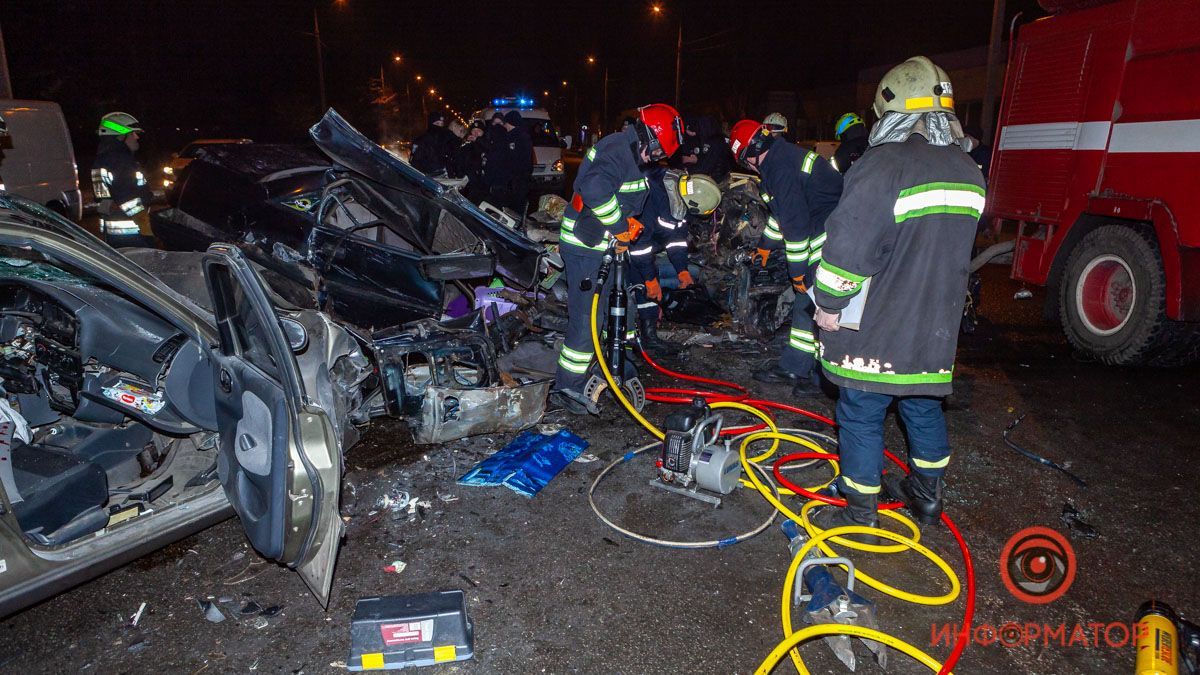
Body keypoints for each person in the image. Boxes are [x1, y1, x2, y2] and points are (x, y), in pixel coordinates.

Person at [808, 56, 986, 534]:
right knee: (922, 404)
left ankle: (859, 510)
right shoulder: (968, 169)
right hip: (936, 326)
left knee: (861, 410)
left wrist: (828, 304)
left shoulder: (883, 165)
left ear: (890, 112)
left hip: (881, 321)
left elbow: (849, 249)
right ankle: (927, 497)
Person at [550, 103, 685, 415]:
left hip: (604, 245)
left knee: (615, 306)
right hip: (585, 246)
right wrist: (620, 226)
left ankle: (607, 364)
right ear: (648, 136)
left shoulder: (633, 155)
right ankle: (567, 387)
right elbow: (594, 189)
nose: (656, 158)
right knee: (588, 320)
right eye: (657, 151)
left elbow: (622, 196)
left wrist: (625, 227)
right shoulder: (618, 149)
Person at [728, 119, 843, 396]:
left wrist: (797, 271)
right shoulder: (777, 161)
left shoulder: (779, 168)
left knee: (820, 303)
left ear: (749, 154)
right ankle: (797, 366)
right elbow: (781, 214)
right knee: (807, 304)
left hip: (830, 235)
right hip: (823, 227)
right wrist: (765, 245)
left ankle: (826, 377)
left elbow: (796, 228)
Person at [628, 167, 721, 357]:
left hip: (640, 246)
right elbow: (639, 246)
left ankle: (648, 336)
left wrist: (682, 271)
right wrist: (649, 279)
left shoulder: (680, 197)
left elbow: (676, 240)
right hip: (617, 244)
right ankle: (625, 340)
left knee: (648, 283)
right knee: (633, 286)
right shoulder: (652, 198)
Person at [91, 112, 154, 241]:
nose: (137, 137)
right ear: (120, 136)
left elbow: (104, 198)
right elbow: (126, 196)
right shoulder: (120, 160)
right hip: (133, 233)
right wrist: (143, 221)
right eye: (132, 133)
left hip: (113, 231)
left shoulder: (103, 159)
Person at [484, 110, 533, 212]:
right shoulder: (520, 136)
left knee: (513, 210)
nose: (503, 126)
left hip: (514, 183)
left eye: (503, 123)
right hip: (515, 183)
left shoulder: (516, 138)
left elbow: (516, 161)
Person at [677, 115, 732, 183]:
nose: (687, 131)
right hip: (708, 178)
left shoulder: (715, 142)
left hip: (716, 182)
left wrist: (685, 169)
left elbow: (705, 169)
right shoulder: (706, 138)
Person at [410, 111, 456, 177]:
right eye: (437, 123)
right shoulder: (422, 141)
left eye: (442, 124)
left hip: (446, 179)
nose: (440, 127)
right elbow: (415, 163)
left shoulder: (446, 140)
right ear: (431, 124)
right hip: (428, 179)